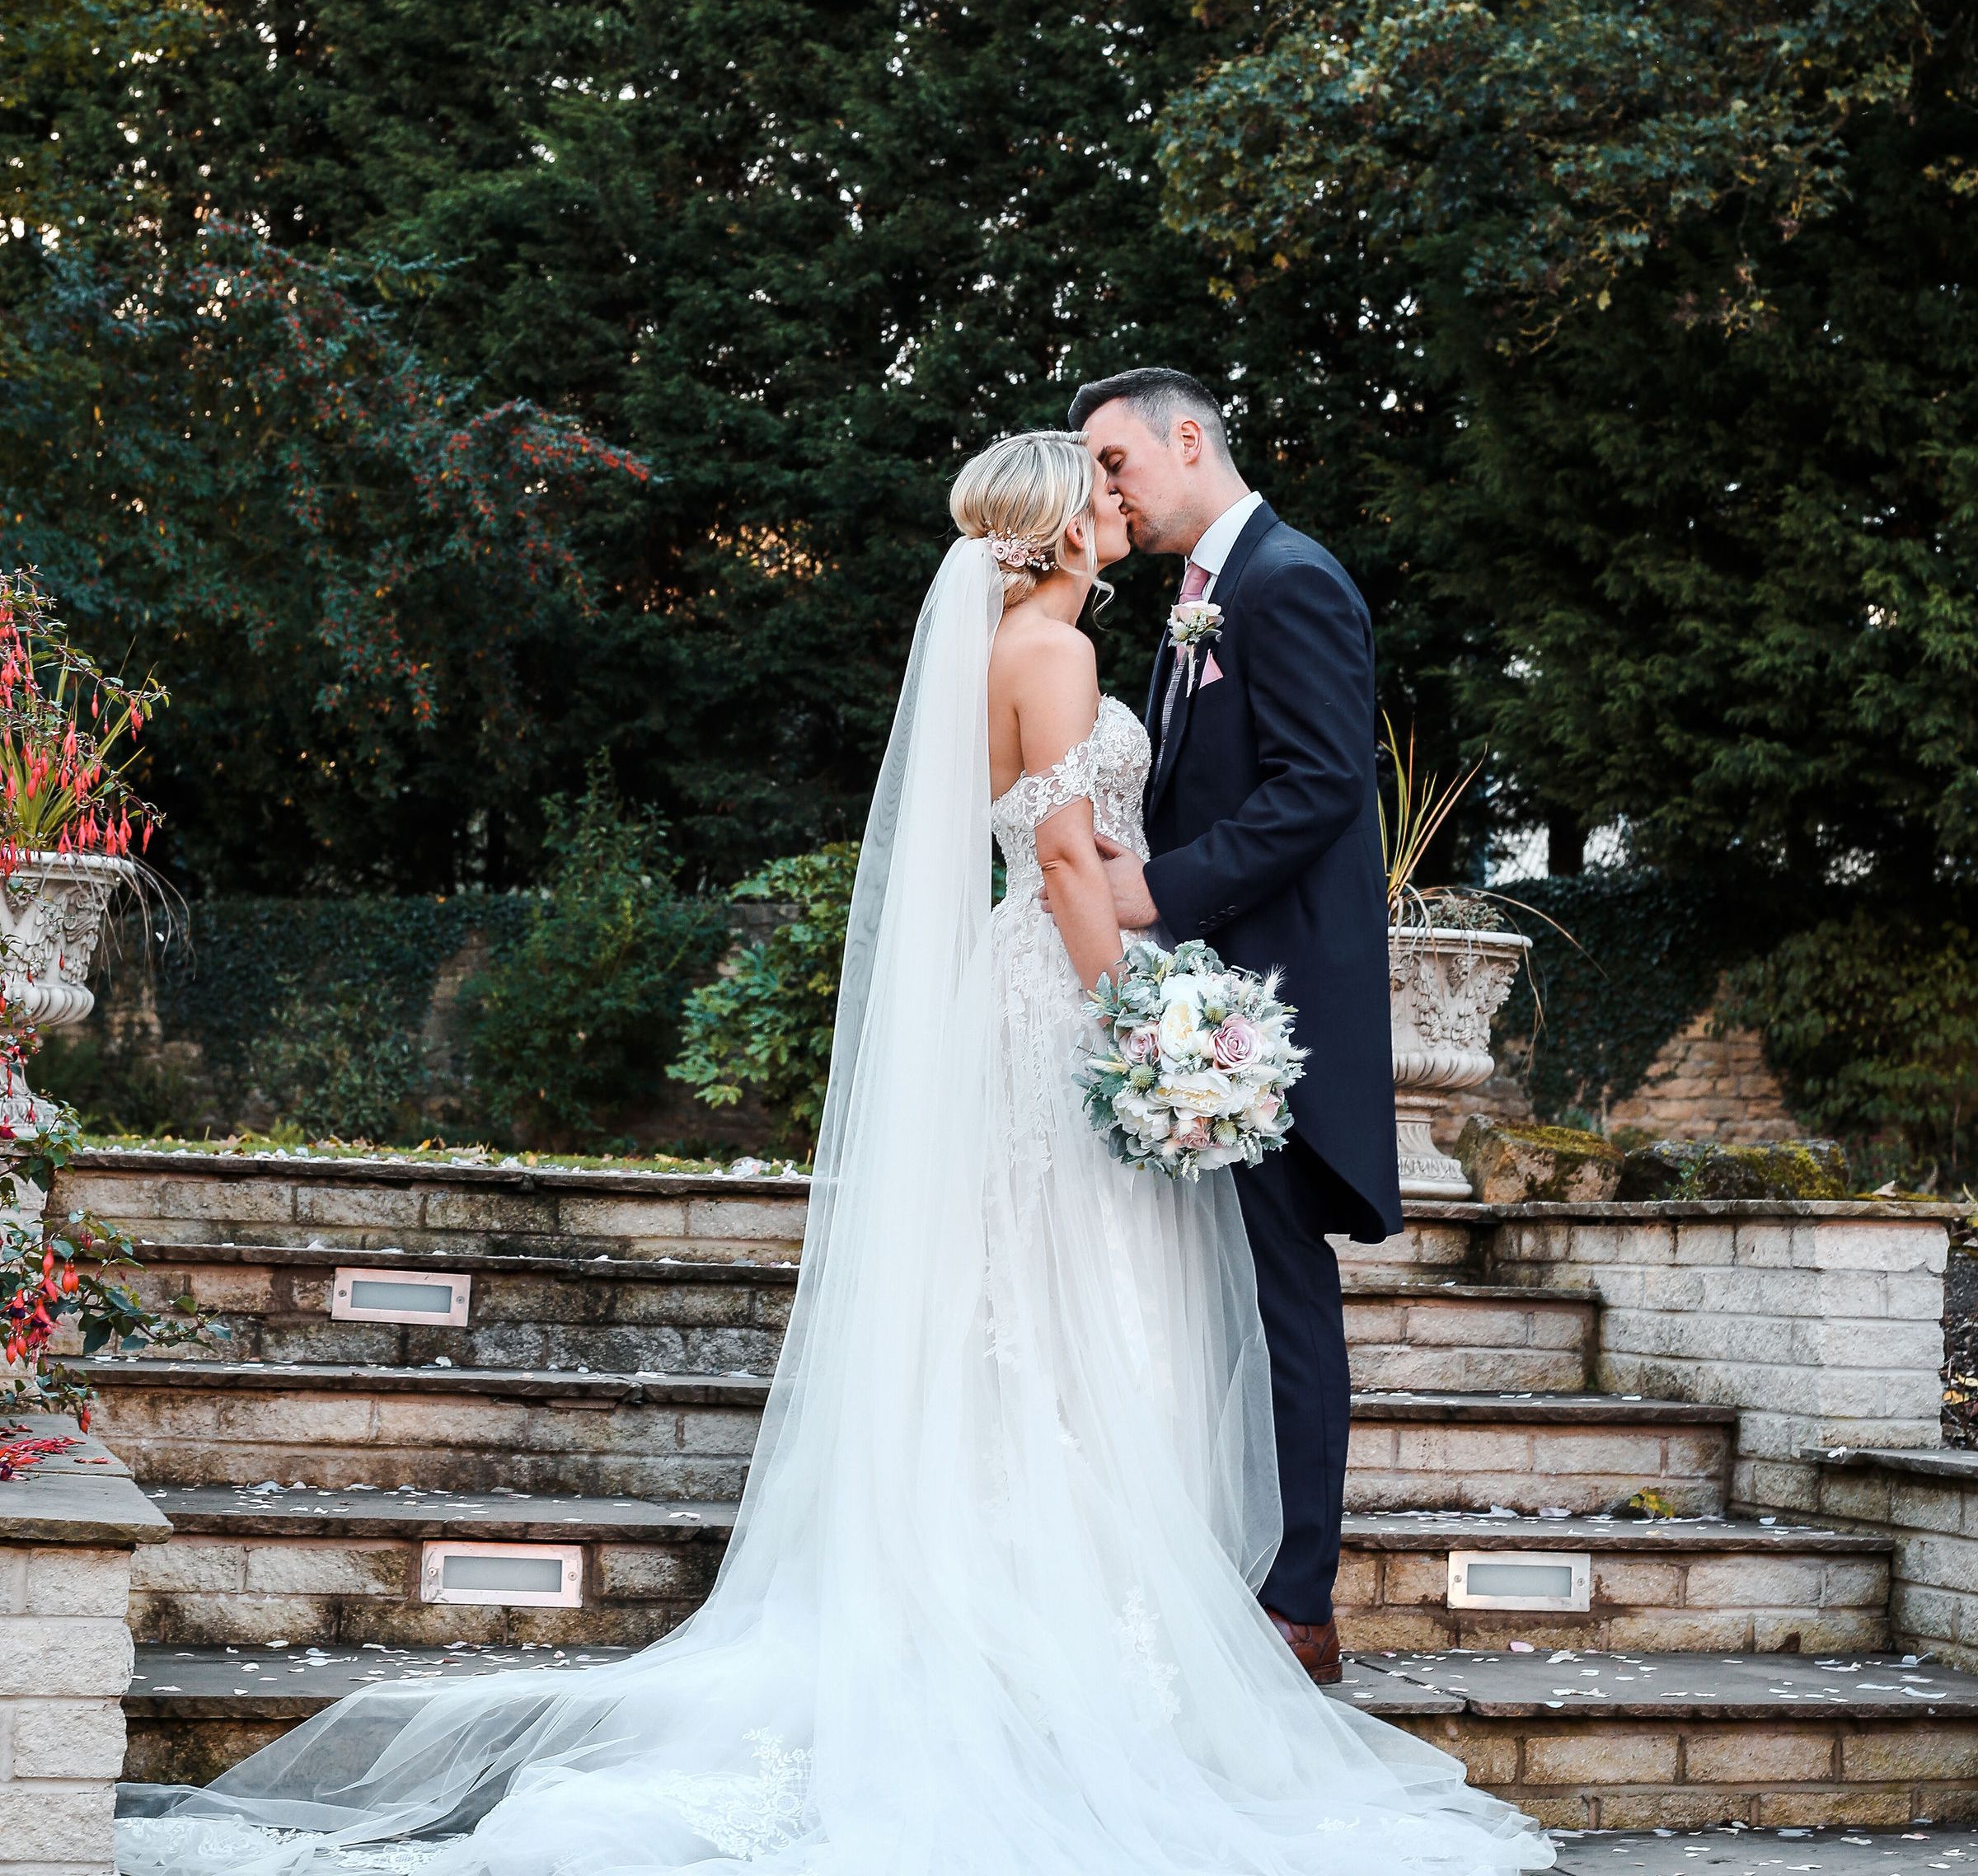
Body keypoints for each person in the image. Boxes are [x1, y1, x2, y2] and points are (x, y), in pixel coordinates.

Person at [115, 433, 1545, 1876]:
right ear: (1057, 529)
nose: (1122, 507)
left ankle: (1055, 1626)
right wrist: (1155, 1015)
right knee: (1072, 1313)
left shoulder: (1018, 646)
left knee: (1040, 1314)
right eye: (1099, 491)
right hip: (1066, 998)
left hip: (1035, 994)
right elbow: (1060, 865)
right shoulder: (1050, 657)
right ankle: (1076, 1653)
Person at [1066, 367, 1404, 1686]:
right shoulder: (1195, 599)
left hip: (1266, 1016)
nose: (1103, 491)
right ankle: (1229, 1568)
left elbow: (1322, 785)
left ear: (1188, 437)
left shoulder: (1291, 578)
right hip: (1198, 1002)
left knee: (1281, 1299)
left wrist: (1159, 888)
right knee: (1219, 1301)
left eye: (1112, 461)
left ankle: (1300, 1606)